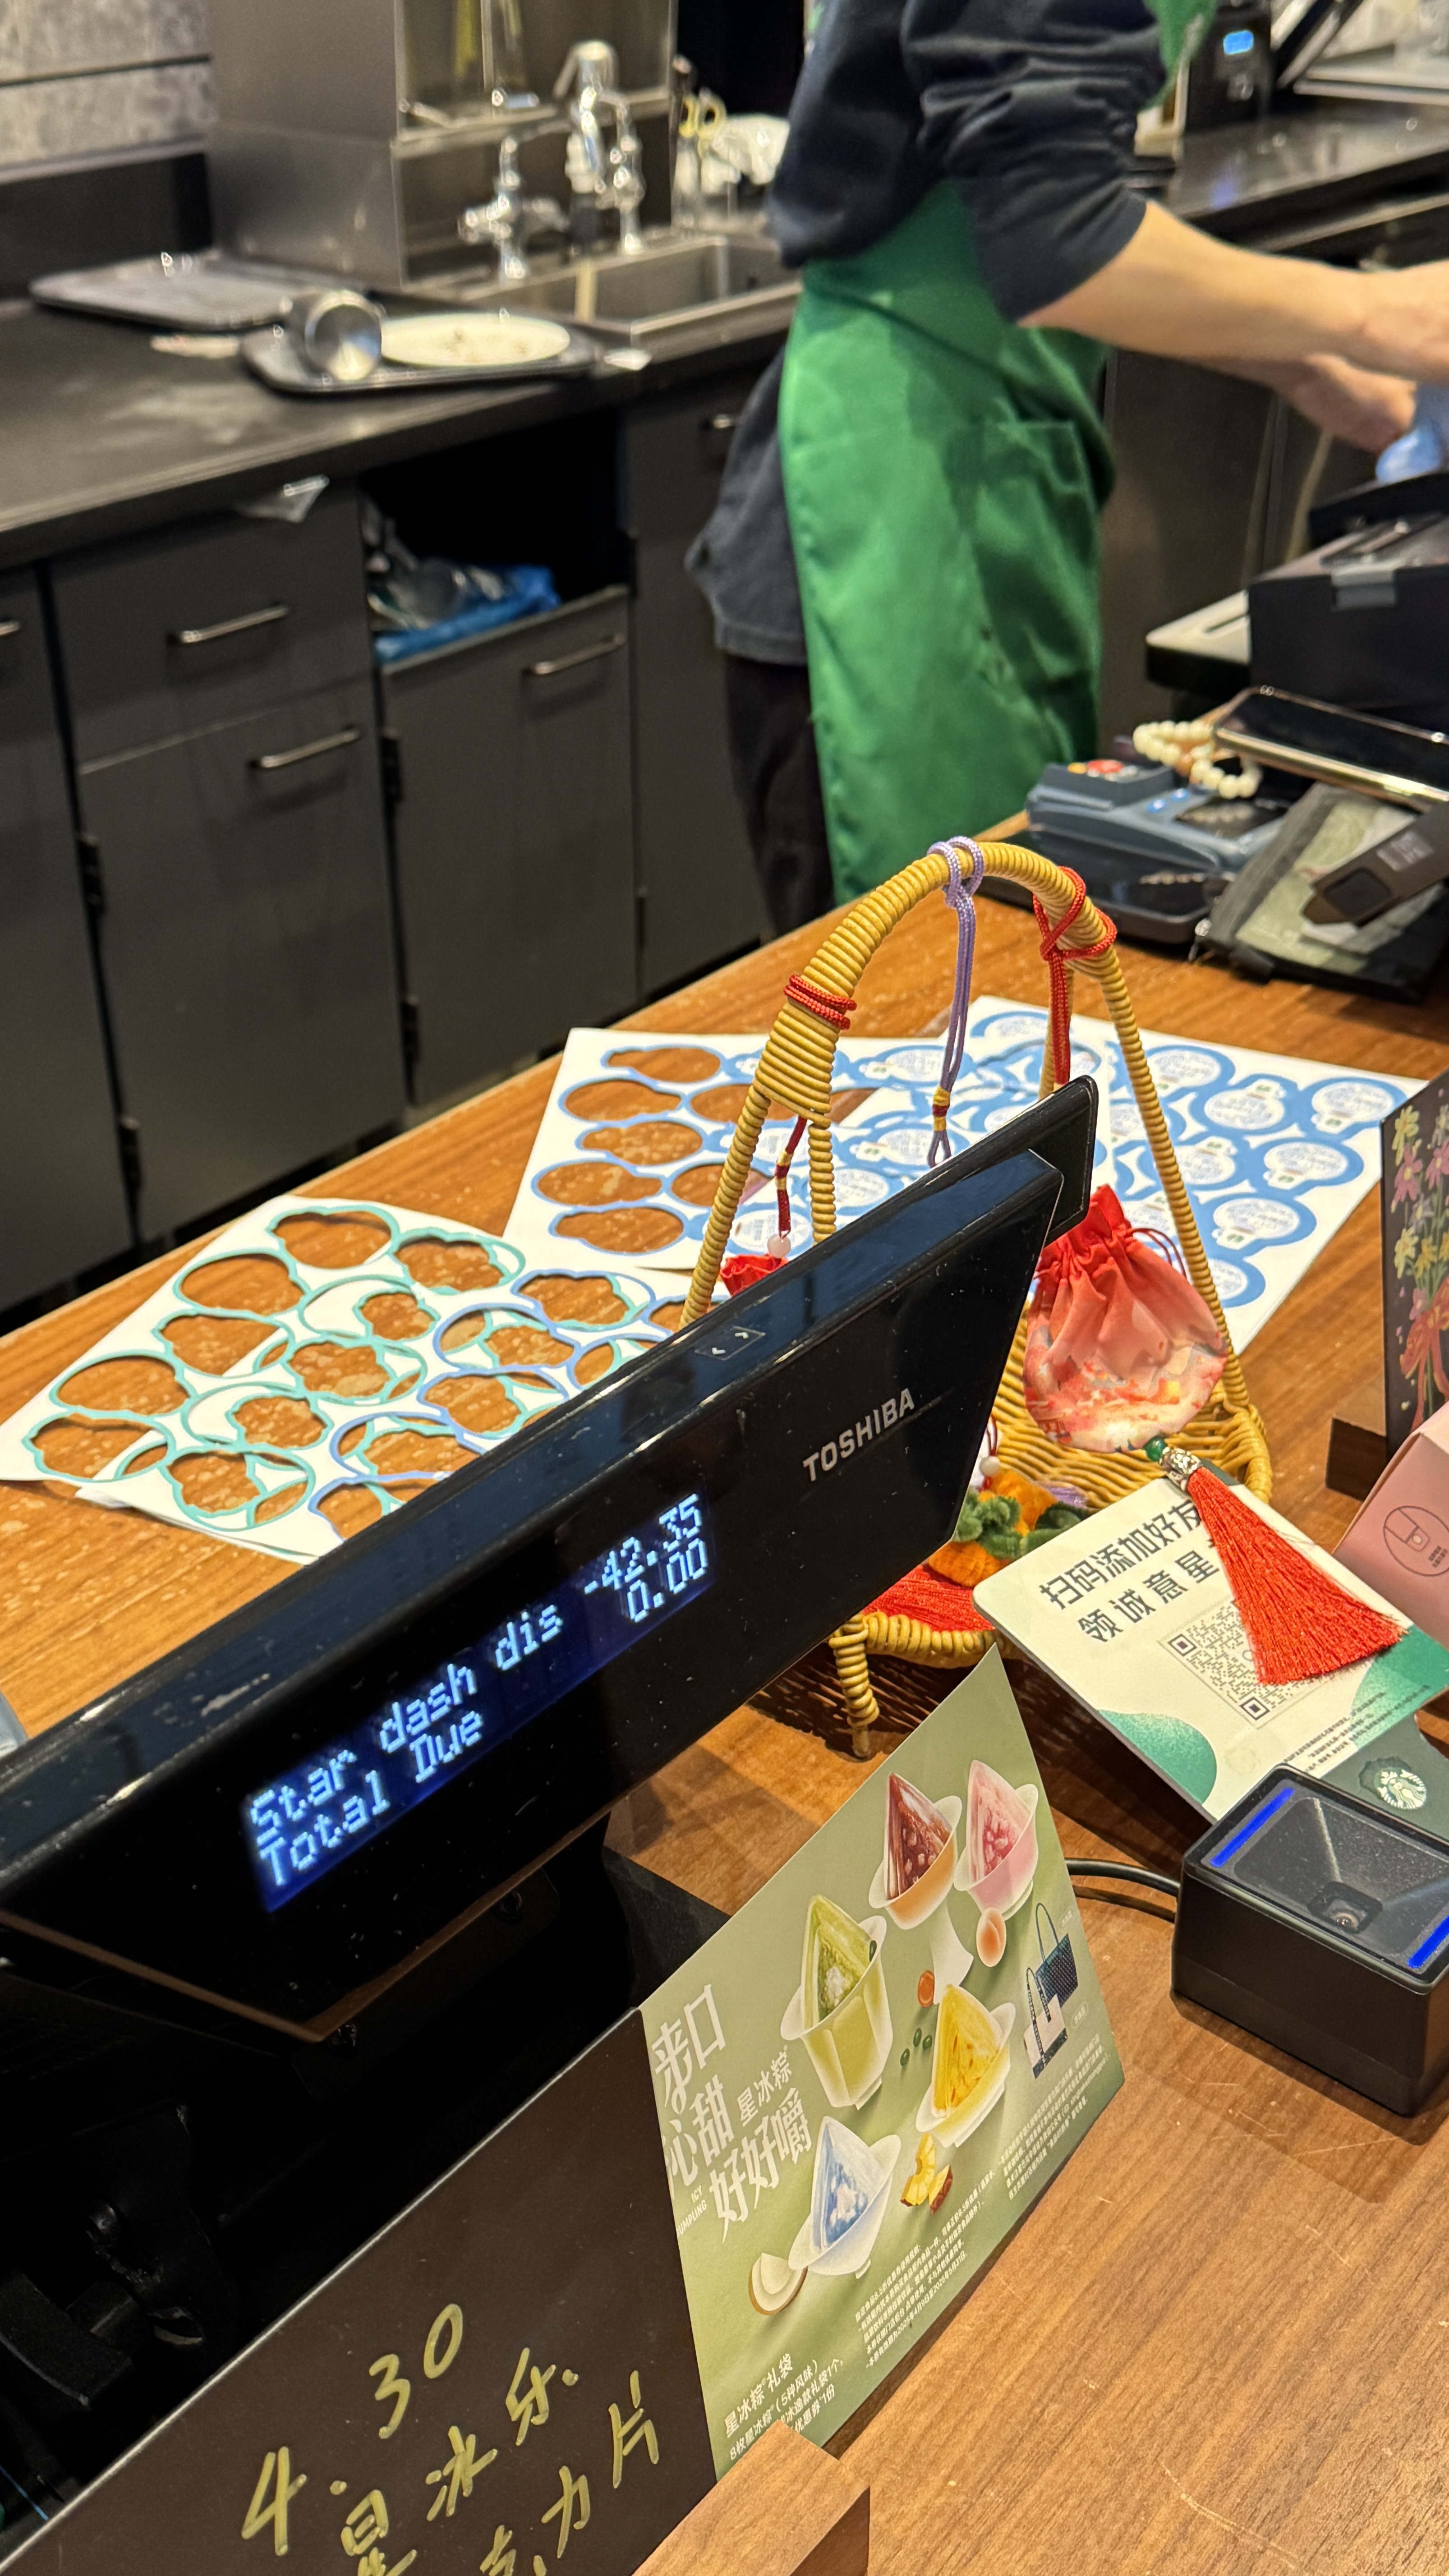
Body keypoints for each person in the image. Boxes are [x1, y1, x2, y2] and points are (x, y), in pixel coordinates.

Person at [691, 0, 1439, 920]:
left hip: (986, 473)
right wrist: (1386, 317)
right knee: (934, 972)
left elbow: (1039, 195)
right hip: (880, 518)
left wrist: (1305, 364)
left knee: (1023, 936)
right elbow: (1053, 241)